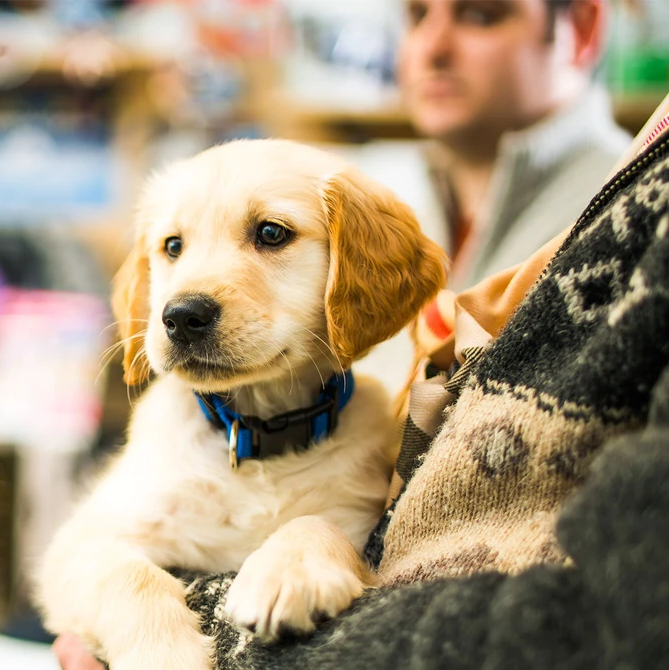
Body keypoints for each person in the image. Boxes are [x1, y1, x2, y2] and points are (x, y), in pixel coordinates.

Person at [51, 92, 669, 670]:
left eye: (271, 235)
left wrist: (319, 540)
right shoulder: (160, 440)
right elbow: (74, 563)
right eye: (173, 246)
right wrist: (146, 626)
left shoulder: (376, 441)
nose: (186, 300)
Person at [398, 0, 632, 290]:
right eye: (418, 15)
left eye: (479, 15)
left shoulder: (633, 211)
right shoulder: (402, 217)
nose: (432, 49)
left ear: (583, 28)